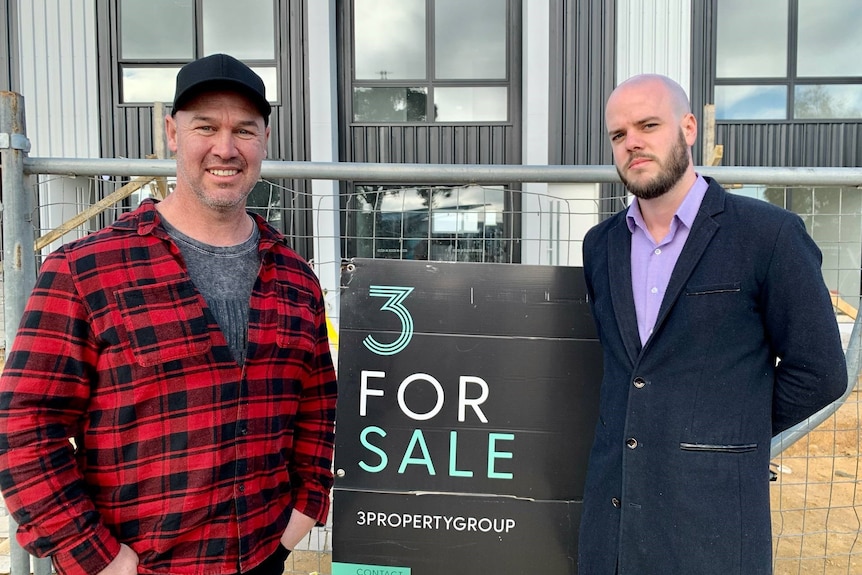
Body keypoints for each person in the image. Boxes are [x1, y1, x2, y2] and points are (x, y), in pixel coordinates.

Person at [0, 53, 337, 575]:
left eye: (244, 130)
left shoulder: (295, 279)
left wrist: (303, 511)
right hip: (140, 566)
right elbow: (25, 425)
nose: (225, 148)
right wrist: (96, 557)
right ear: (173, 134)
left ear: (264, 141)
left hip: (264, 554)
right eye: (206, 126)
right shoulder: (86, 270)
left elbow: (317, 409)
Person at [578, 74, 847, 574]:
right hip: (612, 522)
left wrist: (726, 429)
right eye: (618, 135)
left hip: (714, 524)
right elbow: (626, 372)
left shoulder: (768, 235)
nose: (631, 142)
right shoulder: (601, 245)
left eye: (648, 125)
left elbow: (820, 372)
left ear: (688, 127)